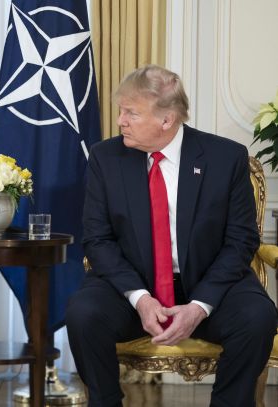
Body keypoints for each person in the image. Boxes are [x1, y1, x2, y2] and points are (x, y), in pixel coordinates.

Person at [66, 65, 277, 407]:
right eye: (121, 111)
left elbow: (240, 241)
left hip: (209, 283)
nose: (121, 121)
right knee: (83, 313)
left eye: (131, 113)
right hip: (134, 285)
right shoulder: (106, 158)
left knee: (258, 317)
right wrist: (141, 298)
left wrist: (198, 307)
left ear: (167, 120)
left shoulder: (226, 158)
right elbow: (98, 239)